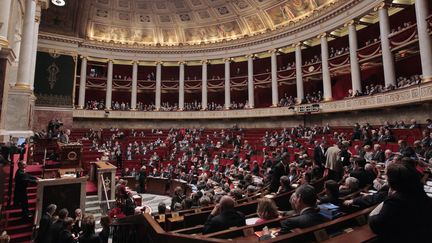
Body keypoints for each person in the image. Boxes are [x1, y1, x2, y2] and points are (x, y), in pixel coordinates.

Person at [369, 162, 432, 243]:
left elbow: (374, 224)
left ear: (392, 181)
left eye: (386, 176)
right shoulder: (421, 194)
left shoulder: (395, 201)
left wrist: (388, 198)